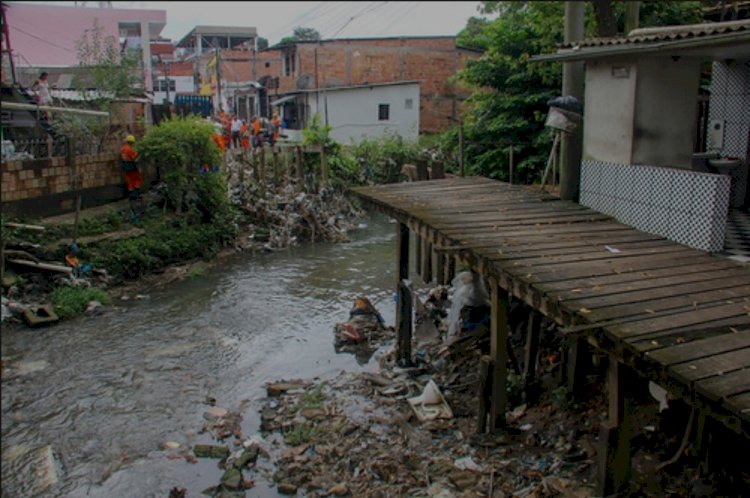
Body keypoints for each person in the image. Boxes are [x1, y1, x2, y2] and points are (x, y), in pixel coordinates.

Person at [120, 135, 143, 218]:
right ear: (132, 142)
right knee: (137, 180)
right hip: (132, 167)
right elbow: (134, 158)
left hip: (126, 168)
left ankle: (130, 195)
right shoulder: (131, 149)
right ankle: (135, 195)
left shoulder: (123, 149)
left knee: (129, 181)